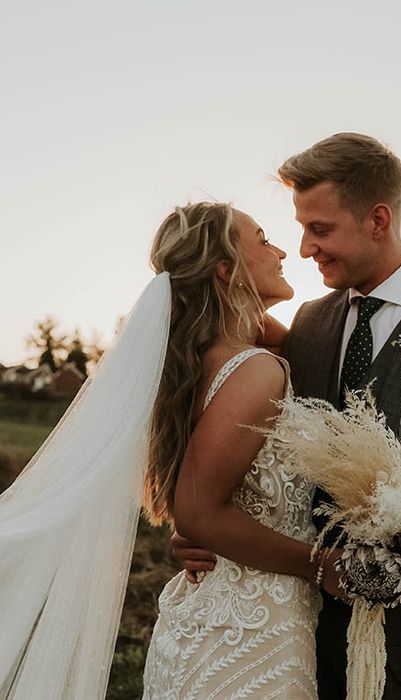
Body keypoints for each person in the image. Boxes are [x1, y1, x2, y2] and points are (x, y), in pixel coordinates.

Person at [175, 134, 401, 700]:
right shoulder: (306, 325)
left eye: (321, 228)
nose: (305, 246)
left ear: (378, 220)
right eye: (300, 227)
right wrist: (197, 529)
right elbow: (237, 437)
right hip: (295, 639)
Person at [141, 202, 349, 698]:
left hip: (217, 618)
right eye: (262, 240)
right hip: (250, 632)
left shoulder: (202, 359)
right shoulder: (255, 370)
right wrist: (323, 566)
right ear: (226, 270)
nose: (281, 251)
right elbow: (196, 511)